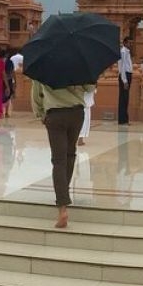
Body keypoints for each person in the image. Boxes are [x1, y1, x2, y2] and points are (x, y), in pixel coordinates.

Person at [32, 78, 90, 229]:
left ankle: (62, 207)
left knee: (58, 161)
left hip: (55, 114)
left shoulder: (43, 65)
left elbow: (36, 94)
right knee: (70, 155)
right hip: (76, 113)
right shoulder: (78, 62)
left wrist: (40, 114)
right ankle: (64, 191)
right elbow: (89, 88)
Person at [116, 37, 133, 125]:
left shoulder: (127, 52)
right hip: (124, 75)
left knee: (125, 98)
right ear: (125, 43)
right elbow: (121, 67)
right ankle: (123, 120)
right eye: (129, 43)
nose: (131, 44)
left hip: (128, 74)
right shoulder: (123, 52)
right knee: (123, 98)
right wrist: (124, 80)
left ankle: (124, 119)